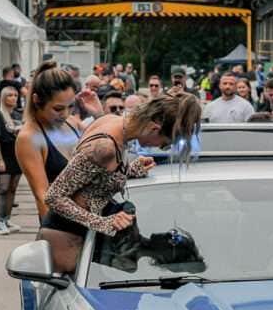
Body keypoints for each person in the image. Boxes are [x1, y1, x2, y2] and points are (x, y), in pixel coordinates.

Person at [41, 93, 200, 273]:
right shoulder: (104, 147)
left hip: (83, 235)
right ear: (154, 128)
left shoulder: (113, 123)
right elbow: (53, 196)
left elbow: (95, 177)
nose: (160, 147)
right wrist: (103, 223)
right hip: (66, 238)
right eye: (165, 143)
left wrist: (130, 170)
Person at [16, 64, 83, 226]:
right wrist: (56, 234)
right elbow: (43, 196)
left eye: (71, 106)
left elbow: (104, 151)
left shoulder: (73, 123)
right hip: (62, 224)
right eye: (58, 109)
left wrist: (98, 113)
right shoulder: (29, 137)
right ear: (37, 101)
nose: (65, 114)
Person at [0, 86, 25, 235]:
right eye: (10, 95)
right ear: (4, 97)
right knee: (3, 188)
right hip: (4, 154)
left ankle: (7, 219)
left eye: (15, 95)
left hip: (17, 154)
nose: (13, 98)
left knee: (12, 189)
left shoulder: (18, 115)